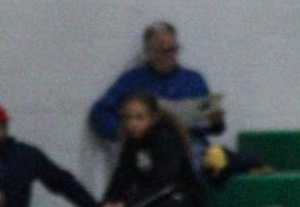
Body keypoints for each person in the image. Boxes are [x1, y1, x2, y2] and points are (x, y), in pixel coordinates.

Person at [88, 21, 212, 149]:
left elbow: (209, 126)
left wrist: (215, 122)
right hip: (149, 146)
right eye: (162, 51)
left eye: (173, 49)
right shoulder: (132, 80)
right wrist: (124, 131)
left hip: (189, 146)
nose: (170, 56)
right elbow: (100, 112)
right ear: (148, 52)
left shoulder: (194, 80)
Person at [98, 93, 203, 207]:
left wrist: (126, 206)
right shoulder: (132, 142)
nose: (133, 124)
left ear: (153, 118)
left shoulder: (166, 140)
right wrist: (108, 203)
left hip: (179, 195)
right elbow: (121, 178)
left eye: (139, 118)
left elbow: (165, 183)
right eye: (128, 118)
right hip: (153, 195)